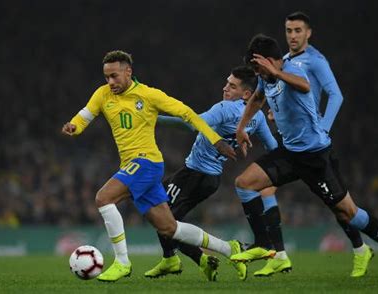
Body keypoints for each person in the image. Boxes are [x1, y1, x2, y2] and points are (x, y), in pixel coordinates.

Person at [230, 34, 378, 282]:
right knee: (244, 183)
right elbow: (258, 99)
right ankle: (263, 243)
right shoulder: (267, 78)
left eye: (259, 67)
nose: (257, 73)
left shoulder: (293, 70)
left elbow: (304, 86)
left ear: (272, 61)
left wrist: (276, 71)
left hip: (315, 157)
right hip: (290, 153)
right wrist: (242, 127)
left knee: (348, 213)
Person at [61, 50, 244, 282]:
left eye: (115, 76)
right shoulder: (102, 94)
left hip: (147, 162)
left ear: (128, 72)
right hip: (132, 164)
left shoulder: (148, 95)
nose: (110, 82)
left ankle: (122, 262)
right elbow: (84, 116)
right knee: (170, 228)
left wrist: (215, 140)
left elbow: (187, 114)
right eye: (107, 77)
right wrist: (74, 127)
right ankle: (230, 249)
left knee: (103, 198)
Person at [246, 11, 371, 278]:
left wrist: (322, 127)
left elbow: (335, 96)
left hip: (314, 145)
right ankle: (278, 254)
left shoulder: (315, 61)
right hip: (293, 146)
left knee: (340, 208)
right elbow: (278, 93)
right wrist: (276, 112)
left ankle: (361, 248)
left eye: (298, 30)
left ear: (308, 32)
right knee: (264, 188)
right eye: (289, 30)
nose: (292, 36)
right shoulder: (286, 61)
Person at [144, 65, 278, 282]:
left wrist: (153, 119)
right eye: (227, 82)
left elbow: (190, 124)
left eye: (232, 86)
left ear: (246, 94)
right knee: (156, 209)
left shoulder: (225, 108)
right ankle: (172, 258)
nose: (225, 88)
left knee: (164, 220)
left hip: (195, 175)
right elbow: (273, 147)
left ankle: (224, 250)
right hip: (206, 177)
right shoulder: (258, 118)